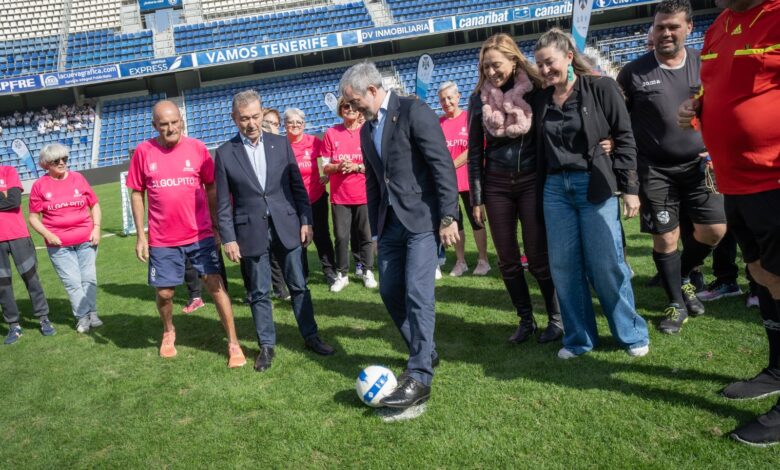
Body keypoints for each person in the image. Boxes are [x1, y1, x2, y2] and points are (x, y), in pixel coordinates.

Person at [678, 0, 780, 446]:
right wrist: (697, 107)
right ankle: (777, 368)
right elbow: (725, 90)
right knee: (760, 275)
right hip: (735, 180)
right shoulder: (720, 25)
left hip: (773, 175)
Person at [340, 62, 459, 408]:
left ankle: (420, 374)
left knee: (418, 294)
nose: (352, 109)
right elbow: (375, 182)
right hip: (390, 225)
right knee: (391, 292)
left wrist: (449, 216)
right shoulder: (365, 131)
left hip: (422, 220)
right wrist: (376, 231)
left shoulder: (413, 111)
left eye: (354, 101)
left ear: (373, 91)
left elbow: (442, 164)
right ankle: (427, 350)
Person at [533, 28, 650, 359]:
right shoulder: (540, 98)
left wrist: (629, 189)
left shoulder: (601, 87)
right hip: (555, 190)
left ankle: (631, 333)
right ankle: (580, 339)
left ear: (569, 56)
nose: (544, 70)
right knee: (565, 269)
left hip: (594, 185)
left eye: (550, 62)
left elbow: (624, 136)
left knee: (607, 264)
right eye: (539, 65)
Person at [617, 0, 726, 334]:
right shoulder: (633, 72)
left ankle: (679, 277)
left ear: (689, 28)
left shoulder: (704, 63)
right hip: (655, 170)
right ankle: (676, 303)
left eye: (672, 26)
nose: (665, 33)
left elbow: (721, 107)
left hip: (700, 167)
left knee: (714, 231)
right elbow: (619, 120)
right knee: (665, 239)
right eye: (659, 26)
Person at [215, 90, 335, 373]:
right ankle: (267, 346)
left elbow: (297, 188)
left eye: (256, 116)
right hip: (250, 232)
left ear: (261, 114)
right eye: (244, 118)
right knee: (259, 291)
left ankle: (311, 336)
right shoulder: (223, 154)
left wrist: (306, 219)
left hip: (287, 224)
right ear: (235, 119)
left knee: (299, 285)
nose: (251, 123)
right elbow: (222, 203)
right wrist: (229, 238)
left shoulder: (281, 145)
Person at [127, 100, 246, 368]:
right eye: (164, 124)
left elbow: (212, 188)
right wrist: (141, 236)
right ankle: (168, 330)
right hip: (162, 240)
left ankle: (233, 343)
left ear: (181, 120)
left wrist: (216, 225)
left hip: (200, 235)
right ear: (154, 125)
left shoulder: (198, 148)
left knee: (215, 286)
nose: (170, 128)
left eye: (174, 122)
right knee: (167, 293)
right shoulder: (143, 152)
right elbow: (137, 193)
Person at [468, 33, 562, 344]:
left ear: (513, 60)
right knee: (507, 260)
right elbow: (474, 153)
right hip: (495, 185)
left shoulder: (536, 92)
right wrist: (477, 199)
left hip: (531, 182)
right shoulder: (478, 99)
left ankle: (556, 318)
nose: (491, 73)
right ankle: (525, 320)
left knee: (538, 258)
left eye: (496, 65)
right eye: (485, 68)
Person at [28, 144, 102, 334]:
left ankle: (92, 313)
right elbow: (33, 217)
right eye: (56, 161)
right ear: (46, 165)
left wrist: (96, 228)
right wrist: (48, 235)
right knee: (72, 282)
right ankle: (82, 317)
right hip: (59, 246)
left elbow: (94, 205)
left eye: (65, 159)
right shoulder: (39, 186)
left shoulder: (78, 178)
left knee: (89, 278)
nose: (62, 163)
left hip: (87, 240)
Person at [321, 97, 377, 292]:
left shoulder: (367, 131)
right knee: (341, 237)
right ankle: (342, 274)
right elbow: (325, 167)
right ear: (340, 109)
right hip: (339, 197)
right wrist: (337, 167)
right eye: (346, 106)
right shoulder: (331, 133)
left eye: (353, 106)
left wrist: (357, 167)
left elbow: (375, 164)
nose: (350, 109)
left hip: (363, 194)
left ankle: (368, 271)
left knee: (366, 235)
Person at [438, 81, 491, 277]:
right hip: (448, 185)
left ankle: (483, 260)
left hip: (469, 180)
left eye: (450, 97)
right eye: (442, 99)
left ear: (458, 97)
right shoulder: (438, 123)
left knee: (477, 220)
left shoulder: (469, 119)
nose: (446, 102)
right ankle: (460, 262)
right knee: (454, 223)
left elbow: (475, 148)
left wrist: (451, 164)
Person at [283, 108, 337, 287]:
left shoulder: (313, 142)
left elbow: (329, 159)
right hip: (294, 202)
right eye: (291, 122)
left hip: (316, 197)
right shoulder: (282, 146)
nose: (295, 125)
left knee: (322, 235)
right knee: (300, 238)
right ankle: (302, 274)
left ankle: (330, 271)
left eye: (299, 122)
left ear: (304, 125)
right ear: (285, 125)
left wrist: (327, 175)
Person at [0, 165, 52, 344]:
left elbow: (13, 201)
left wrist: (7, 197)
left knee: (31, 278)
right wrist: (3, 195)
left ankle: (43, 318)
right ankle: (14, 325)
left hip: (18, 235)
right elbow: (6, 200)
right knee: (2, 285)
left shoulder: (8, 171)